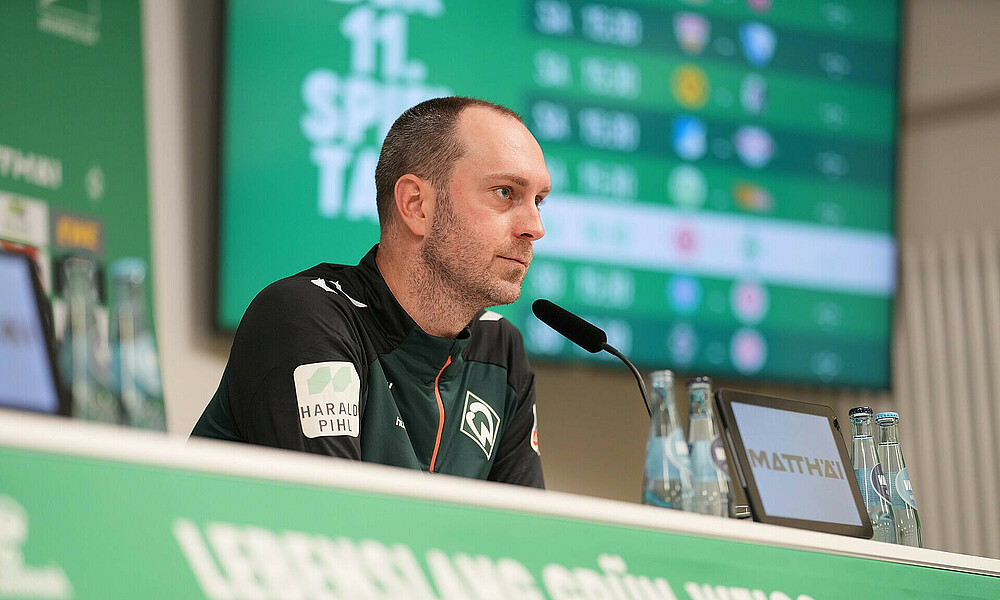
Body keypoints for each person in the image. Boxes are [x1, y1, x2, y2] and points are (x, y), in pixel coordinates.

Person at [192, 97, 550, 488]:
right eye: (505, 192)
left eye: (539, 201)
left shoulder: (500, 351)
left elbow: (520, 525)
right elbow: (333, 519)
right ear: (416, 205)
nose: (535, 227)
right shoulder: (307, 318)